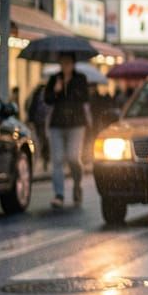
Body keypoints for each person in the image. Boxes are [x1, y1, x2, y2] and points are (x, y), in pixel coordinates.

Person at [44, 54, 90, 208]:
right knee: (57, 159)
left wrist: (70, 88)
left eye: (68, 63)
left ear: (73, 64)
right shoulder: (54, 78)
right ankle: (59, 194)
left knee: (72, 157)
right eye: (62, 63)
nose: (65, 66)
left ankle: (77, 184)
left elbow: (85, 97)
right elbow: (47, 99)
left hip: (76, 123)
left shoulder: (80, 79)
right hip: (57, 123)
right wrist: (56, 90)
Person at [25, 83, 51, 171]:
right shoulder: (38, 97)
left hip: (43, 122)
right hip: (39, 122)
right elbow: (31, 109)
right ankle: (43, 160)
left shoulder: (39, 96)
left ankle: (44, 160)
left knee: (43, 141)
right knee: (41, 141)